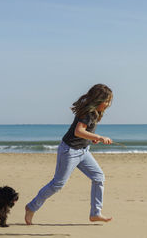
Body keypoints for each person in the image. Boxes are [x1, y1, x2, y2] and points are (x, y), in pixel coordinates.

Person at [25, 84, 113, 224]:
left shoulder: (95, 111)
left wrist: (92, 138)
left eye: (109, 101)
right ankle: (31, 207)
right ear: (98, 99)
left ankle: (95, 213)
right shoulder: (88, 112)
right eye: (106, 101)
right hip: (69, 151)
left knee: (98, 177)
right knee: (57, 184)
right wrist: (98, 137)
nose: (108, 104)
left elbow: (83, 133)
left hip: (83, 151)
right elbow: (78, 131)